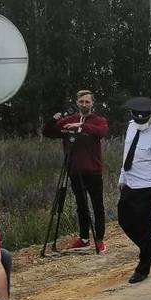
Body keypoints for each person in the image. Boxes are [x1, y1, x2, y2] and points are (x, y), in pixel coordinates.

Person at [42, 89, 109, 252]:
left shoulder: (98, 120)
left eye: (87, 101)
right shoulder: (68, 120)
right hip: (74, 169)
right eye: (81, 102)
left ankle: (99, 239)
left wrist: (82, 126)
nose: (84, 104)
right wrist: (54, 119)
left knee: (97, 205)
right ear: (77, 102)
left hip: (93, 170)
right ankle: (84, 238)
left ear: (92, 103)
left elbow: (101, 131)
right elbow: (48, 132)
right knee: (81, 205)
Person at [117, 97, 151, 284]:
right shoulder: (131, 126)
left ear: (150, 116)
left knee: (145, 227)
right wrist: (122, 177)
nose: (140, 121)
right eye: (137, 118)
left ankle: (143, 267)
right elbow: (127, 152)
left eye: (144, 118)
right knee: (124, 220)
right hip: (130, 184)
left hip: (149, 187)